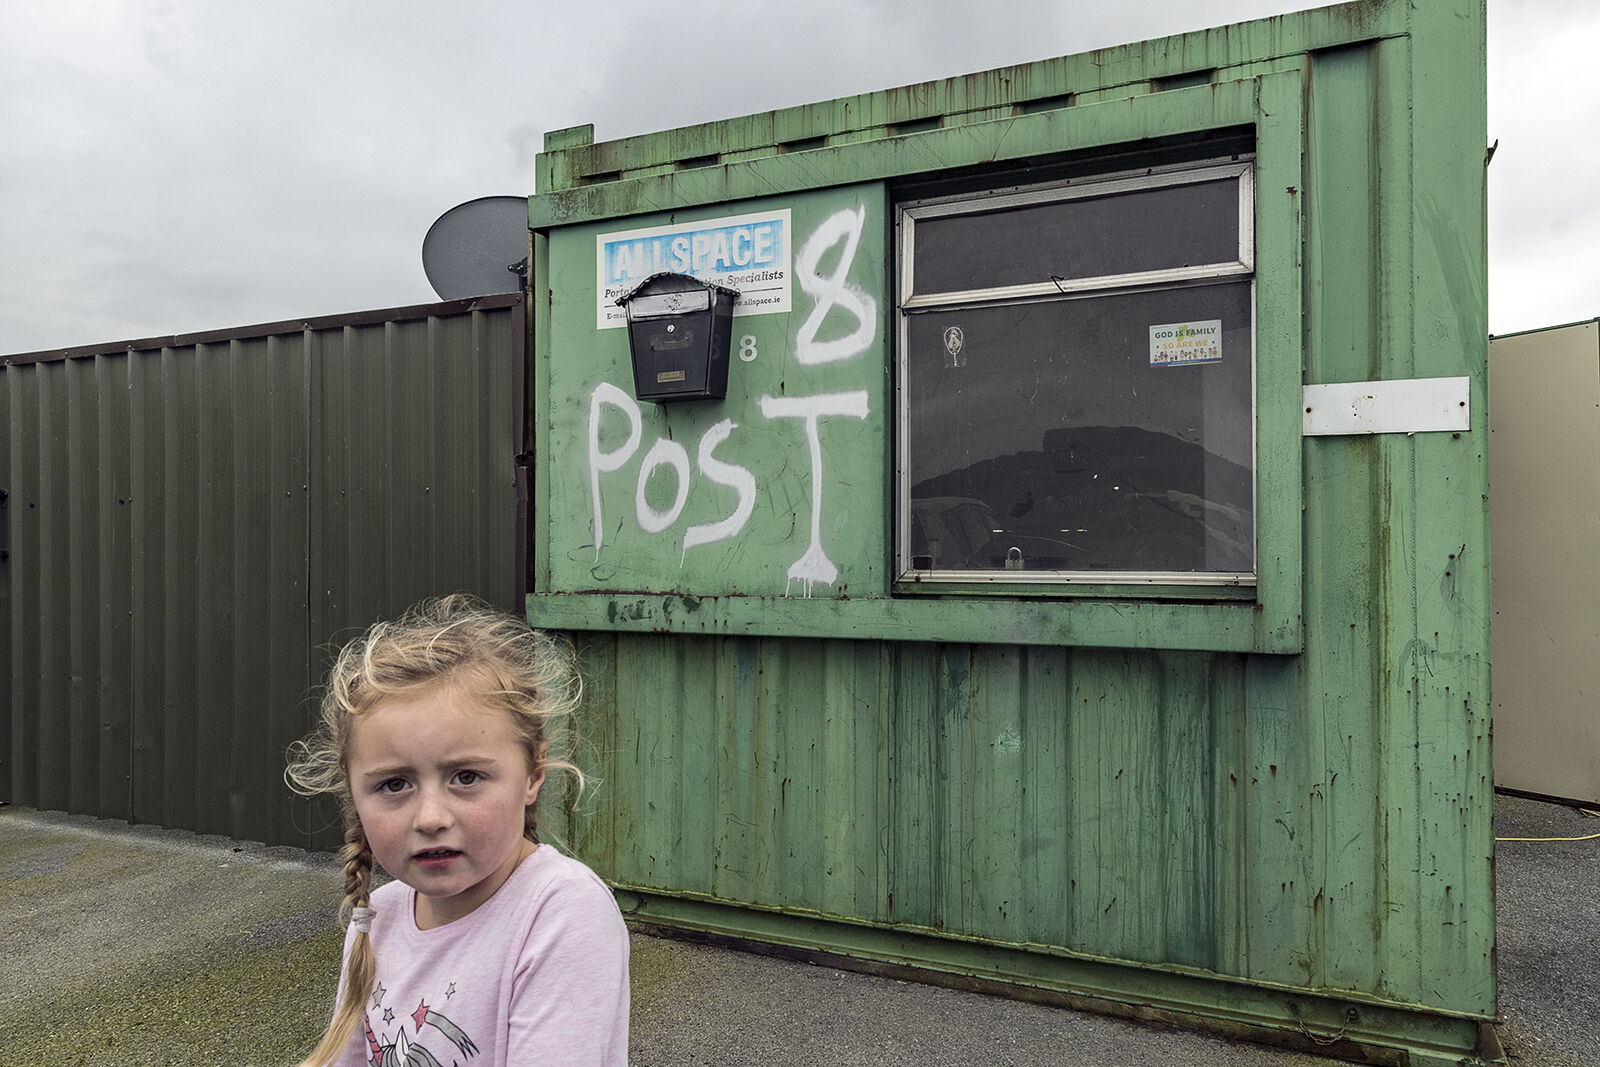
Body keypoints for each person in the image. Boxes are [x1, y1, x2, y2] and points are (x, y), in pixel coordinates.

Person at [285, 594, 629, 1067]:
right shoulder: (377, 915)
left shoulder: (560, 912)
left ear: (533, 774)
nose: (430, 818)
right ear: (353, 793)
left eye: (466, 777)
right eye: (394, 784)